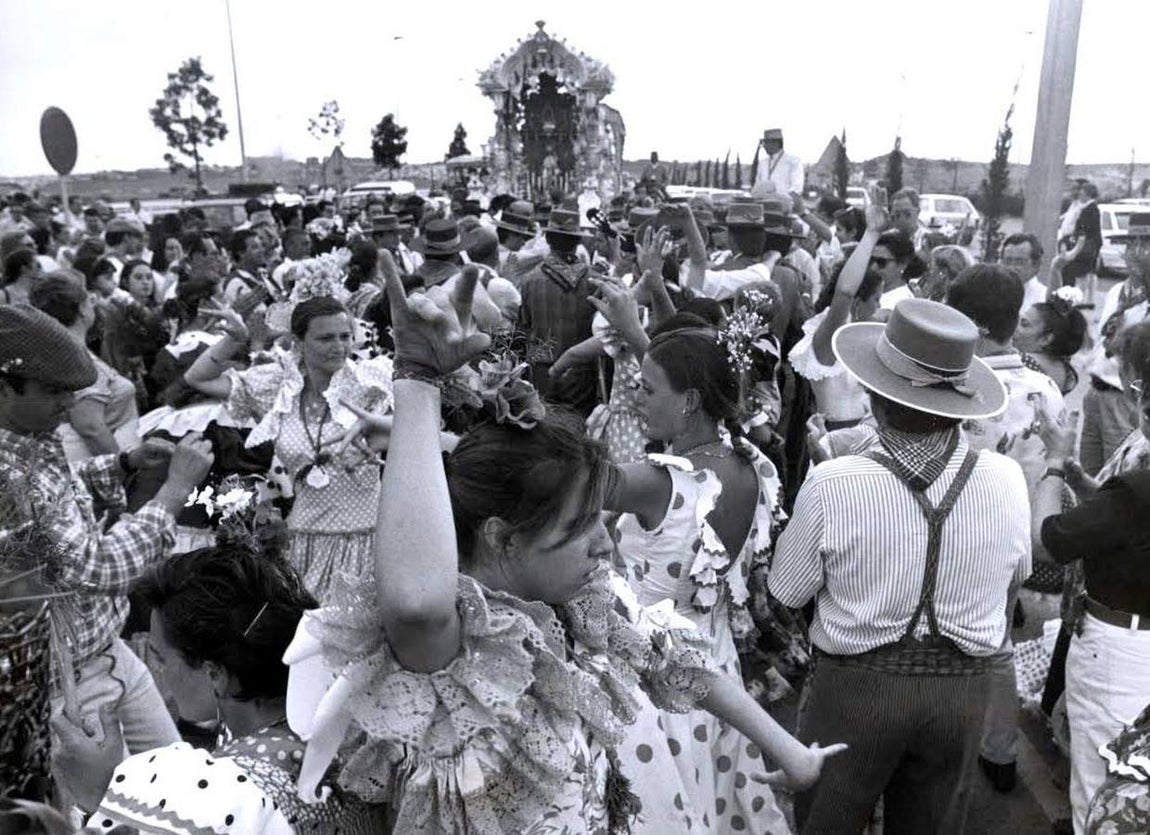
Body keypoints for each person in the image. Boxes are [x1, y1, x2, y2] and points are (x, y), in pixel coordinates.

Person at [285, 265, 844, 834]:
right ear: (502, 537)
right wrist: (417, 383)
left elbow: (683, 664)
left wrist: (792, 754)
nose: (606, 542)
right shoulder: (451, 647)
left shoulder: (583, 605)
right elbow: (415, 605)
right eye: (581, 525)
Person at [770, 299, 1031, 834]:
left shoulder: (834, 481)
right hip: (961, 693)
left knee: (828, 822)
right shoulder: (1006, 478)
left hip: (855, 689)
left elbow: (787, 592)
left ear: (874, 396)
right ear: (962, 405)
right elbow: (1016, 578)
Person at [587, 302, 807, 832]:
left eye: (646, 388)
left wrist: (591, 448)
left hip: (653, 678)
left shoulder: (654, 480)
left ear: (688, 401)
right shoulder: (750, 464)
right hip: (718, 668)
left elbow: (566, 504)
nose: (637, 399)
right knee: (710, 801)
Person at [0, 304, 214, 796]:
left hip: (105, 651)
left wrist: (123, 463)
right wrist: (173, 493)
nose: (67, 403)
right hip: (63, 682)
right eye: (52, 391)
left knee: (177, 788)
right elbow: (97, 568)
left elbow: (60, 492)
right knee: (96, 811)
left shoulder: (25, 436)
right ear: (5, 388)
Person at [56, 545, 383, 833]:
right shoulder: (355, 741)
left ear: (214, 673)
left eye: (160, 656)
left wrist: (101, 793)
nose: (156, 669)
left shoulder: (217, 793)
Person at [183, 292, 393, 602]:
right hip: (304, 540)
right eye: (325, 338)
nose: (339, 346)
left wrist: (387, 426)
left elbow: (423, 421)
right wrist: (235, 339)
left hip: (369, 539)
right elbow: (197, 378)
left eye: (345, 336)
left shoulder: (372, 382)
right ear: (299, 341)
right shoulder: (277, 387)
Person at [1034, 399, 1150, 834]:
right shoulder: (1132, 495)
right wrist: (1091, 491)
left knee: (1102, 782)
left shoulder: (1137, 490)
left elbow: (1048, 541)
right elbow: (1126, 531)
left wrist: (1054, 463)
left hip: (1121, 653)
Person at [28, 276, 141, 460]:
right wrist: (125, 470)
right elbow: (90, 427)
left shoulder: (63, 349)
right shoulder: (74, 357)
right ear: (81, 309)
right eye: (88, 298)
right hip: (94, 465)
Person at [1079, 211, 1150, 474]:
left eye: (1145, 245)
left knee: (1122, 477)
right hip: (1096, 393)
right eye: (1130, 244)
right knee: (1091, 472)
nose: (1135, 252)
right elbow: (1100, 341)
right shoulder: (1117, 292)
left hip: (1125, 400)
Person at [1014, 288, 1088, 396]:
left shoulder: (1024, 361)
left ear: (1046, 339)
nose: (1015, 327)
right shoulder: (1064, 368)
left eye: (1024, 324)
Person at [1059, 180, 1102, 300]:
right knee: (1079, 273)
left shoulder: (1091, 209)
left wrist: (1075, 241)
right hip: (1083, 245)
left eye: (1082, 194)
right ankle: (1076, 297)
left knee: (1079, 272)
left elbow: (1086, 229)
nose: (1080, 196)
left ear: (1088, 194)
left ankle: (1077, 298)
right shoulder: (1086, 208)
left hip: (1086, 246)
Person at [1001, 233, 1050, 312]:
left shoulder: (1044, 299)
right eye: (1008, 261)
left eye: (1020, 262)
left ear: (1036, 265)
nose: (1012, 268)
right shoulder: (993, 295)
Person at [755, 129, 804, 197]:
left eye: (766, 143)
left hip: (785, 204)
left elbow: (797, 188)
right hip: (765, 203)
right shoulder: (762, 163)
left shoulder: (793, 161)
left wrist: (783, 199)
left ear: (776, 143)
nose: (764, 146)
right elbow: (758, 185)